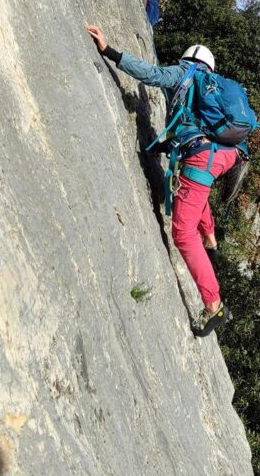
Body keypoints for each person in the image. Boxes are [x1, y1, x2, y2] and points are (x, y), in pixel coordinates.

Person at [86, 25, 239, 337]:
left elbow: (150, 74)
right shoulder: (214, 87)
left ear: (187, 60)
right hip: (228, 155)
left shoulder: (184, 73)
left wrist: (109, 51)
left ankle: (214, 306)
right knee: (197, 188)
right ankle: (209, 236)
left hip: (203, 156)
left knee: (182, 234)